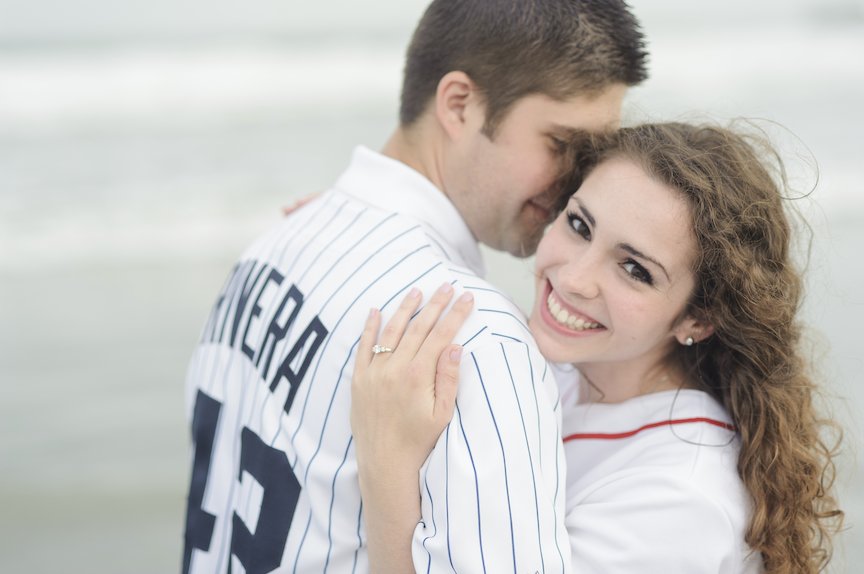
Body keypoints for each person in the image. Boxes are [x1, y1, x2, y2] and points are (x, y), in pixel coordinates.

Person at [180, 1, 648, 572]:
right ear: (459, 104)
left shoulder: (269, 249)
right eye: (561, 144)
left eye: (592, 153)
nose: (581, 177)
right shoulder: (471, 343)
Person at [350, 122, 844, 573]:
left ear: (699, 317)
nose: (574, 278)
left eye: (635, 270)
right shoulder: (569, 371)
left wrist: (385, 469)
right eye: (580, 226)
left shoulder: (678, 502)